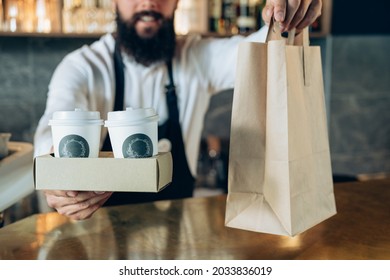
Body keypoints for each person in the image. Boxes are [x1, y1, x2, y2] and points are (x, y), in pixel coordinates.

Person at [34, 0, 323, 220]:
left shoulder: (196, 57)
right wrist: (59, 179)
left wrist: (287, 18)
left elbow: (260, 49)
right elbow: (53, 126)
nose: (149, 4)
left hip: (179, 237)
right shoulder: (83, 67)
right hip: (100, 239)